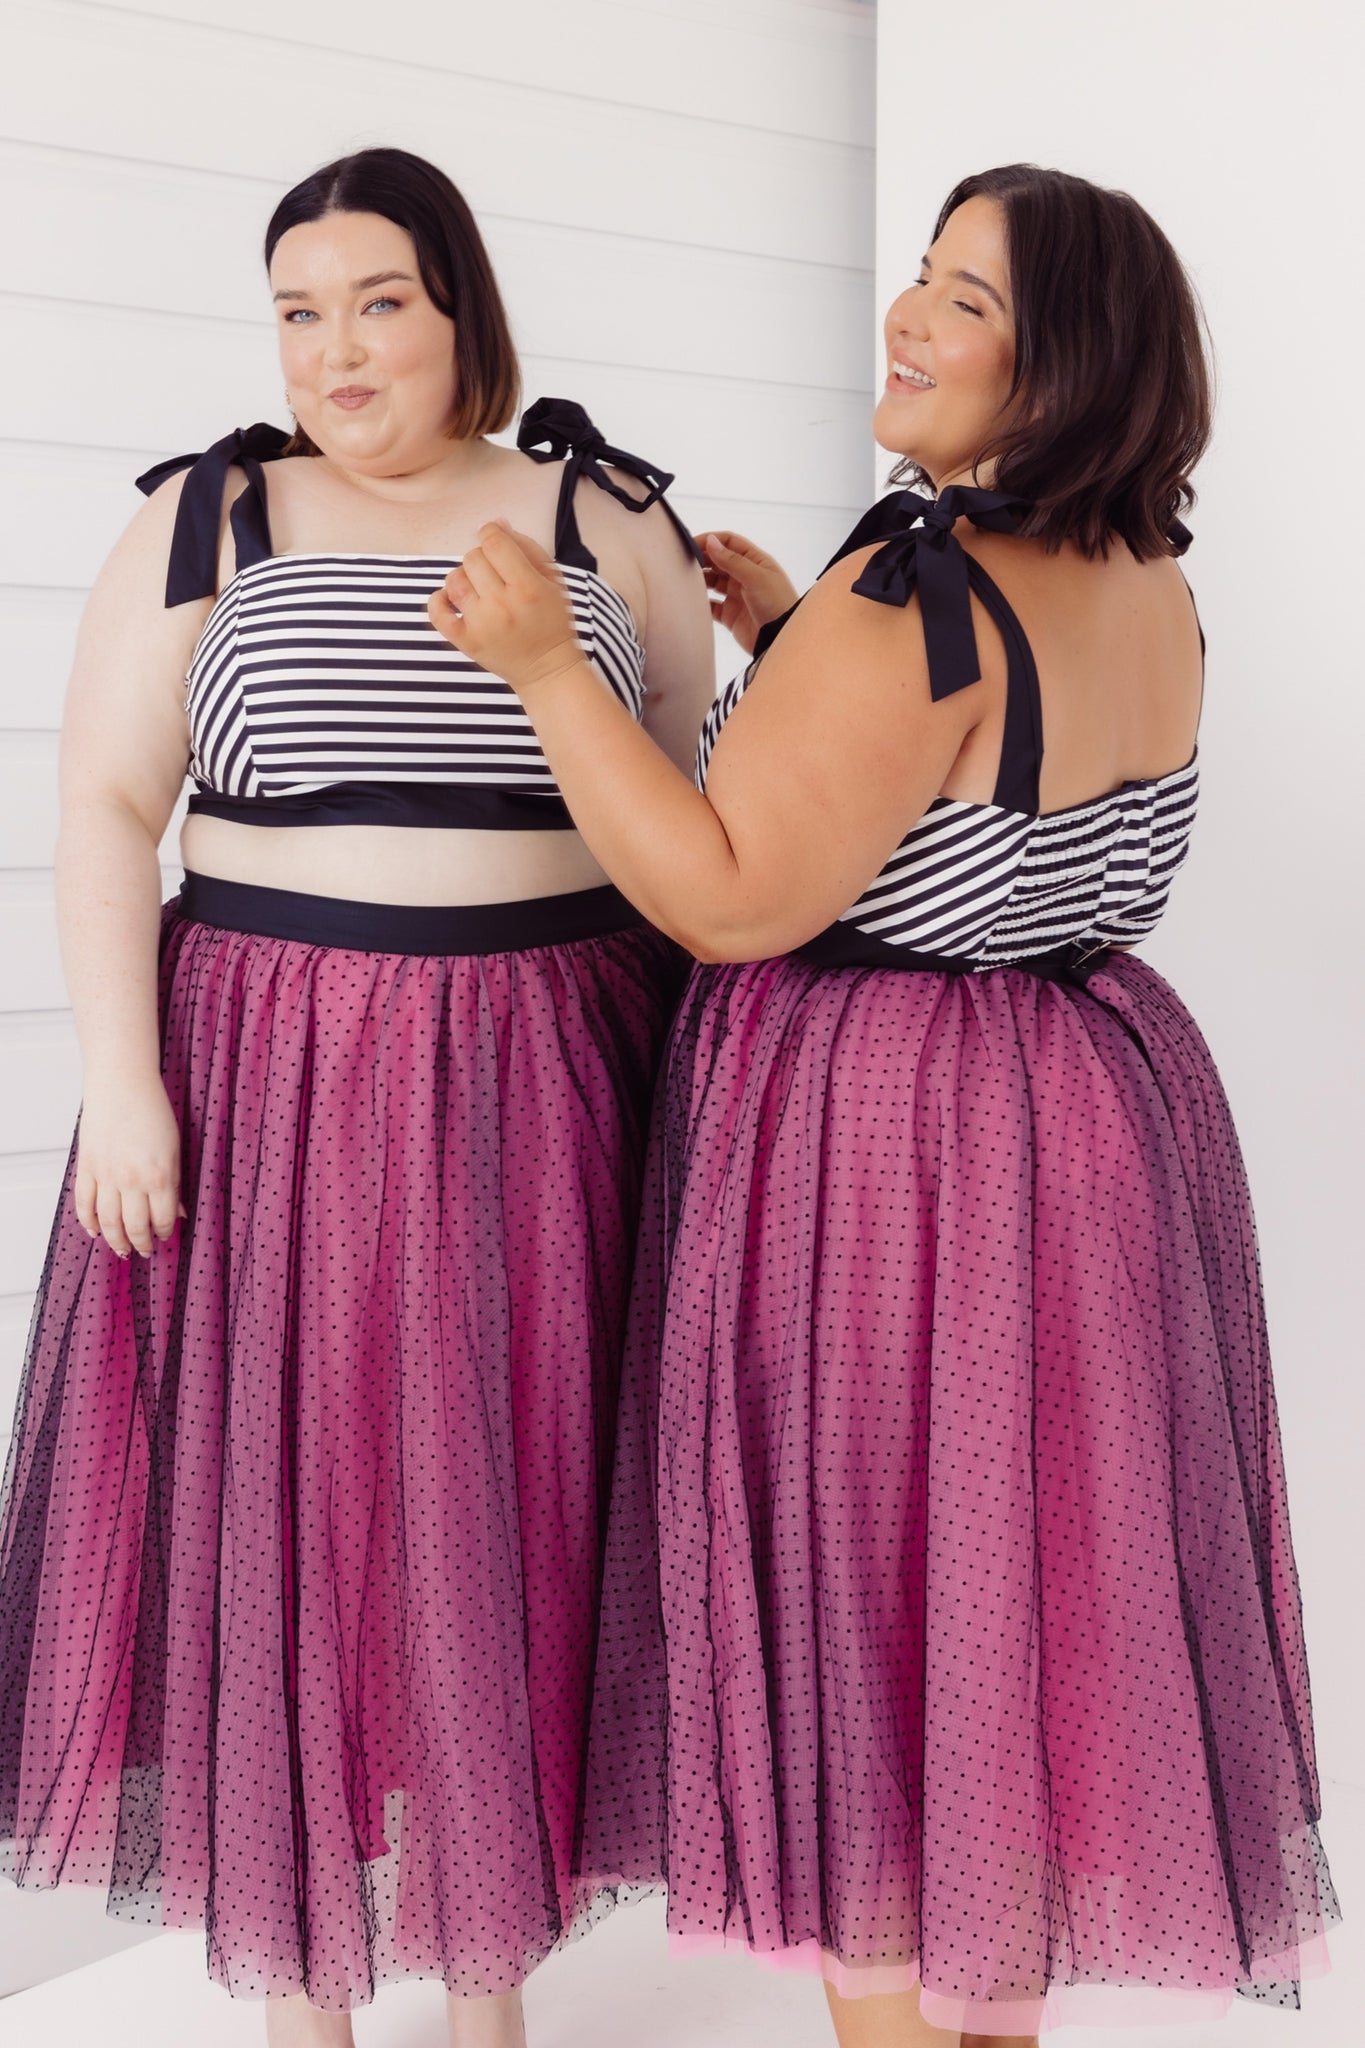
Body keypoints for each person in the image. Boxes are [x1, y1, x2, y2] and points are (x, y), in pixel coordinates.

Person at [427, 164, 1339, 2045]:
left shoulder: (912, 593)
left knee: (870, 1682)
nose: (908, 319)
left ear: (1067, 362)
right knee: (990, 1658)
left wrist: (540, 668)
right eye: (920, 277)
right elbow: (957, 815)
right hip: (1085, 1132)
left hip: (883, 1156)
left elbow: (730, 893)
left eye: (967, 302)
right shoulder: (1141, 579)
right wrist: (790, 646)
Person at [0, 146, 713, 2046]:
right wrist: (127, 1090)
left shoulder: (605, 515)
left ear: (459, 306)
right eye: (297, 311)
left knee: (514, 1518)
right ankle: (299, 2006)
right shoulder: (208, 518)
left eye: (374, 302)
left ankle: (492, 2003)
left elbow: (687, 833)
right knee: (289, 1519)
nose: (332, 350)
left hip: (551, 1084)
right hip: (270, 1089)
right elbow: (101, 809)